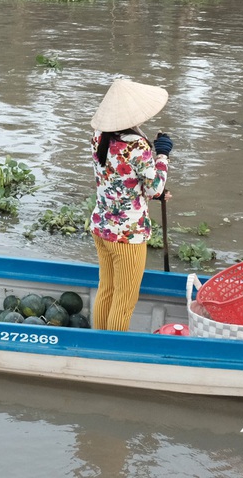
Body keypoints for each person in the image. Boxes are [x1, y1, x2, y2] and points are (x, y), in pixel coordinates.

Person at [88, 78, 173, 331]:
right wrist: (163, 155)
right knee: (124, 300)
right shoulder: (136, 144)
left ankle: (99, 344)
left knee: (107, 289)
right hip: (127, 234)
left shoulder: (99, 136)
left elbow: (119, 179)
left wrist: (149, 191)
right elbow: (154, 186)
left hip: (102, 226)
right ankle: (112, 352)